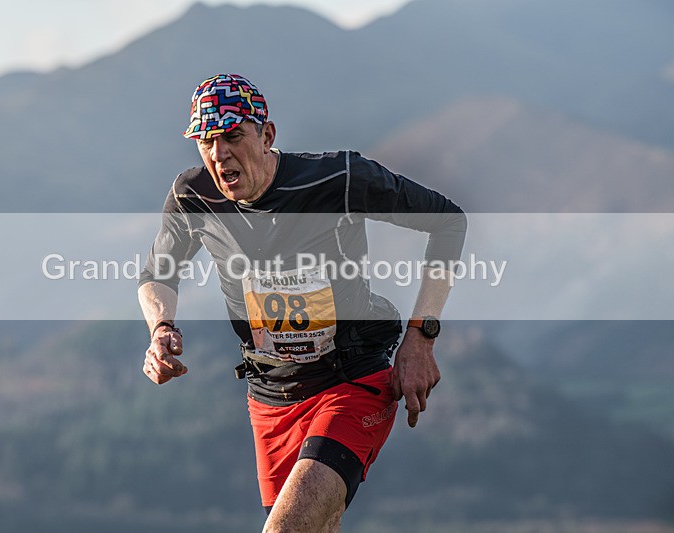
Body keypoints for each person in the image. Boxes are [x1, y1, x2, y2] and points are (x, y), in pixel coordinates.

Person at [137, 73, 466, 532]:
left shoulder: (339, 179)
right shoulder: (193, 196)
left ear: (267, 135)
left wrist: (421, 336)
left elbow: (448, 222)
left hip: (349, 381)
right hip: (271, 397)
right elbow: (157, 274)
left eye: (232, 135)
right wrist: (160, 328)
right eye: (206, 141)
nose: (218, 154)